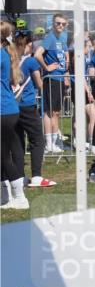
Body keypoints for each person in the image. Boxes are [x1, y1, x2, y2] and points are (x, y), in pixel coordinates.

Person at [15, 30, 55, 188]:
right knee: (37, 139)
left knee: (18, 142)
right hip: (28, 105)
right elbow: (39, 84)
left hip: (12, 107)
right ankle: (37, 175)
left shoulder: (11, 59)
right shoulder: (31, 62)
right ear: (29, 44)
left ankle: (19, 176)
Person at [1, 21, 29, 209]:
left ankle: (19, 197)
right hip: (8, 110)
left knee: (3, 156)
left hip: (3, 110)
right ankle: (6, 197)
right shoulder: (5, 53)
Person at [34, 13, 69, 153]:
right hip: (52, 79)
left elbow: (65, 56)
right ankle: (49, 143)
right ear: (53, 24)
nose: (60, 26)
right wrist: (46, 67)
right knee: (50, 112)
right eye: (57, 23)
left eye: (63, 24)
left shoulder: (62, 38)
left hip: (60, 79)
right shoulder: (50, 38)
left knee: (57, 112)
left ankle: (54, 142)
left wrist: (66, 68)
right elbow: (37, 54)